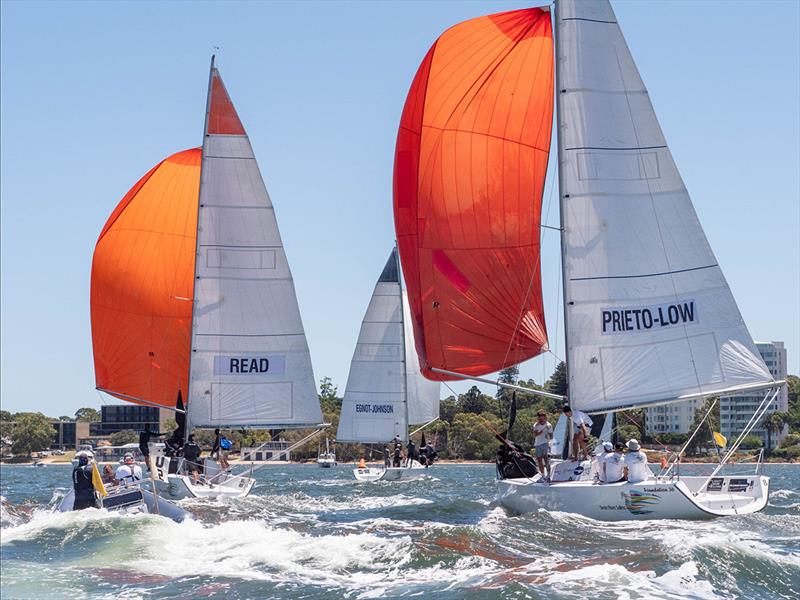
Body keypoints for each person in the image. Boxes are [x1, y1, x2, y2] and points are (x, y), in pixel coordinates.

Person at [532, 411, 553, 481]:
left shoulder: (548, 425)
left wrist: (548, 435)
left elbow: (551, 436)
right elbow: (535, 435)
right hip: (538, 444)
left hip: (545, 443)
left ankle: (549, 475)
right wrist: (541, 432)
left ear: (545, 418)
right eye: (539, 419)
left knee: (546, 459)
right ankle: (543, 475)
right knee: (539, 460)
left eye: (542, 419)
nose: (541, 420)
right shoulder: (536, 425)